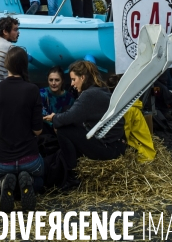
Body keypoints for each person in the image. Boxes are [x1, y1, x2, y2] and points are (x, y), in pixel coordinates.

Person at [45, 60, 126, 189]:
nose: (72, 84)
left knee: (63, 130)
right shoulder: (99, 90)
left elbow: (68, 117)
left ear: (82, 77)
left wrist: (54, 118)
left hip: (109, 149)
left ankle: (72, 176)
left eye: (73, 79)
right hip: (117, 145)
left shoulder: (89, 95)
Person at [0, 46, 43, 212]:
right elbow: (38, 131)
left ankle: (2, 184)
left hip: (1, 160)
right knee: (41, 181)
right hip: (30, 159)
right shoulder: (33, 90)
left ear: (6, 65)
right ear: (25, 66)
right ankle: (26, 183)